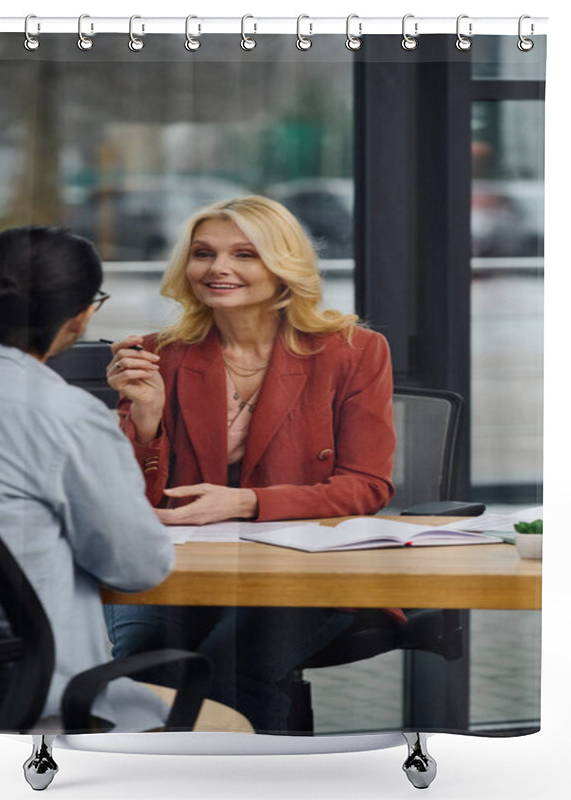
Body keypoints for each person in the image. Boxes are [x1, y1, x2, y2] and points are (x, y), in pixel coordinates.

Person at [103, 196, 396, 732]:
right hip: (180, 566)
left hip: (306, 567)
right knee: (144, 673)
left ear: (283, 267)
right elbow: (133, 504)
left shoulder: (352, 350)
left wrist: (246, 502)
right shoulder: (157, 354)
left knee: (225, 674)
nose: (218, 268)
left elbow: (367, 486)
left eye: (245, 254)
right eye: (203, 253)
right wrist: (145, 419)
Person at [0, 226, 179, 732]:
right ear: (80, 319)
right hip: (34, 704)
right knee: (231, 728)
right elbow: (138, 568)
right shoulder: (65, 416)